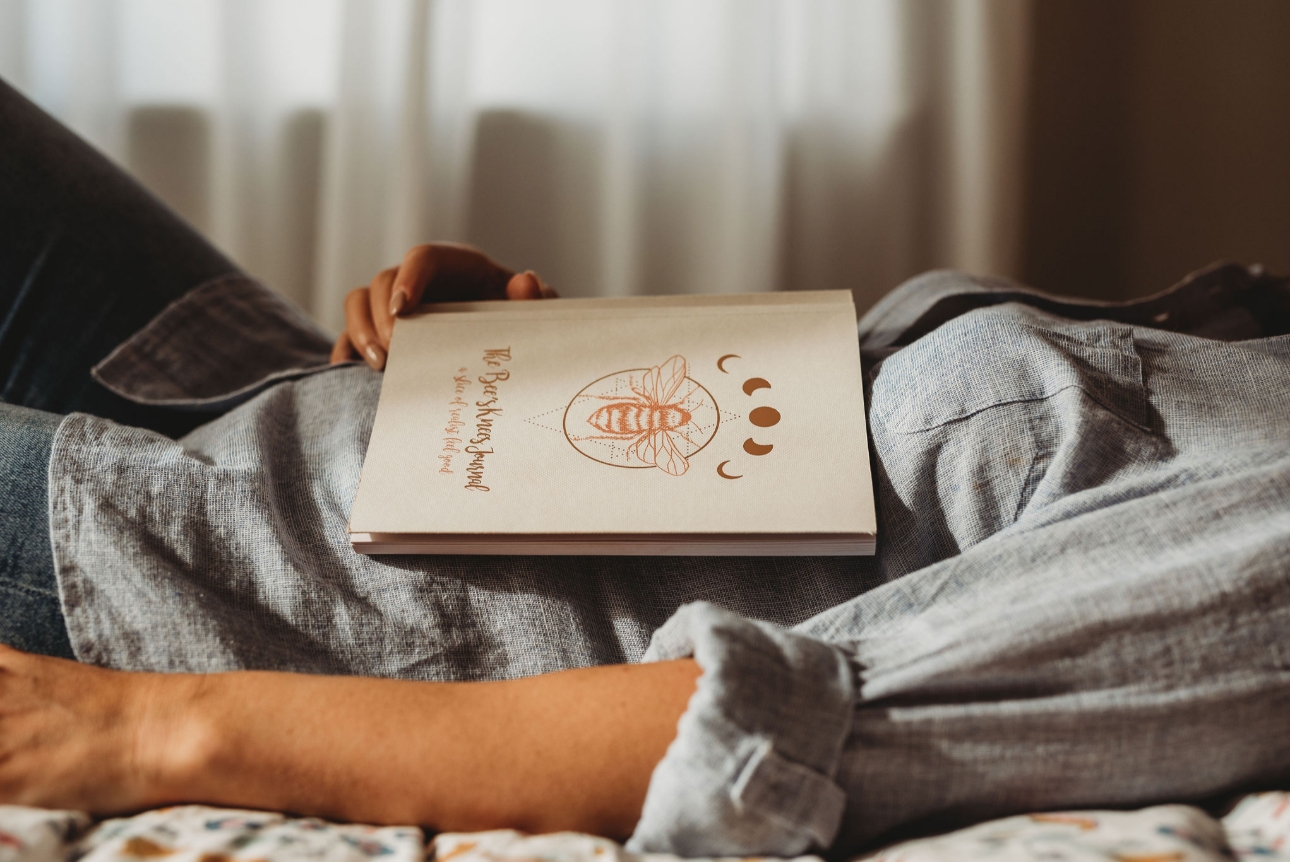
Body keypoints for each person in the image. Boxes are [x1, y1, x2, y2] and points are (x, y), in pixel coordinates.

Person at [1, 76, 1289, 857]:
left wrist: (145, 727)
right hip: (261, 393)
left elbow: (781, 725)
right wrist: (514, 354)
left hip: (181, 560)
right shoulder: (1252, 333)